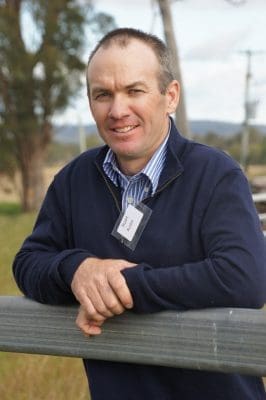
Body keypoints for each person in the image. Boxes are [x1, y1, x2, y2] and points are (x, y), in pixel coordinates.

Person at [13, 28, 266, 400]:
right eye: (103, 94)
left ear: (170, 96)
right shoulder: (73, 180)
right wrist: (78, 270)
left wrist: (124, 287)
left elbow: (245, 277)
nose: (117, 111)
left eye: (134, 91)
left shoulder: (215, 175)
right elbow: (28, 263)